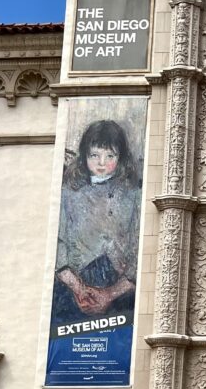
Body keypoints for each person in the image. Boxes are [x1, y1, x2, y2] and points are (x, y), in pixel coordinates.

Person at [52, 119, 141, 324]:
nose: (102, 163)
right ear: (84, 156)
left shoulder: (134, 195)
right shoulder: (68, 193)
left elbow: (139, 247)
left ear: (121, 158)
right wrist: (78, 288)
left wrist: (110, 294)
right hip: (73, 284)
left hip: (121, 289)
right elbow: (58, 244)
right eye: (95, 155)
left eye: (110, 156)